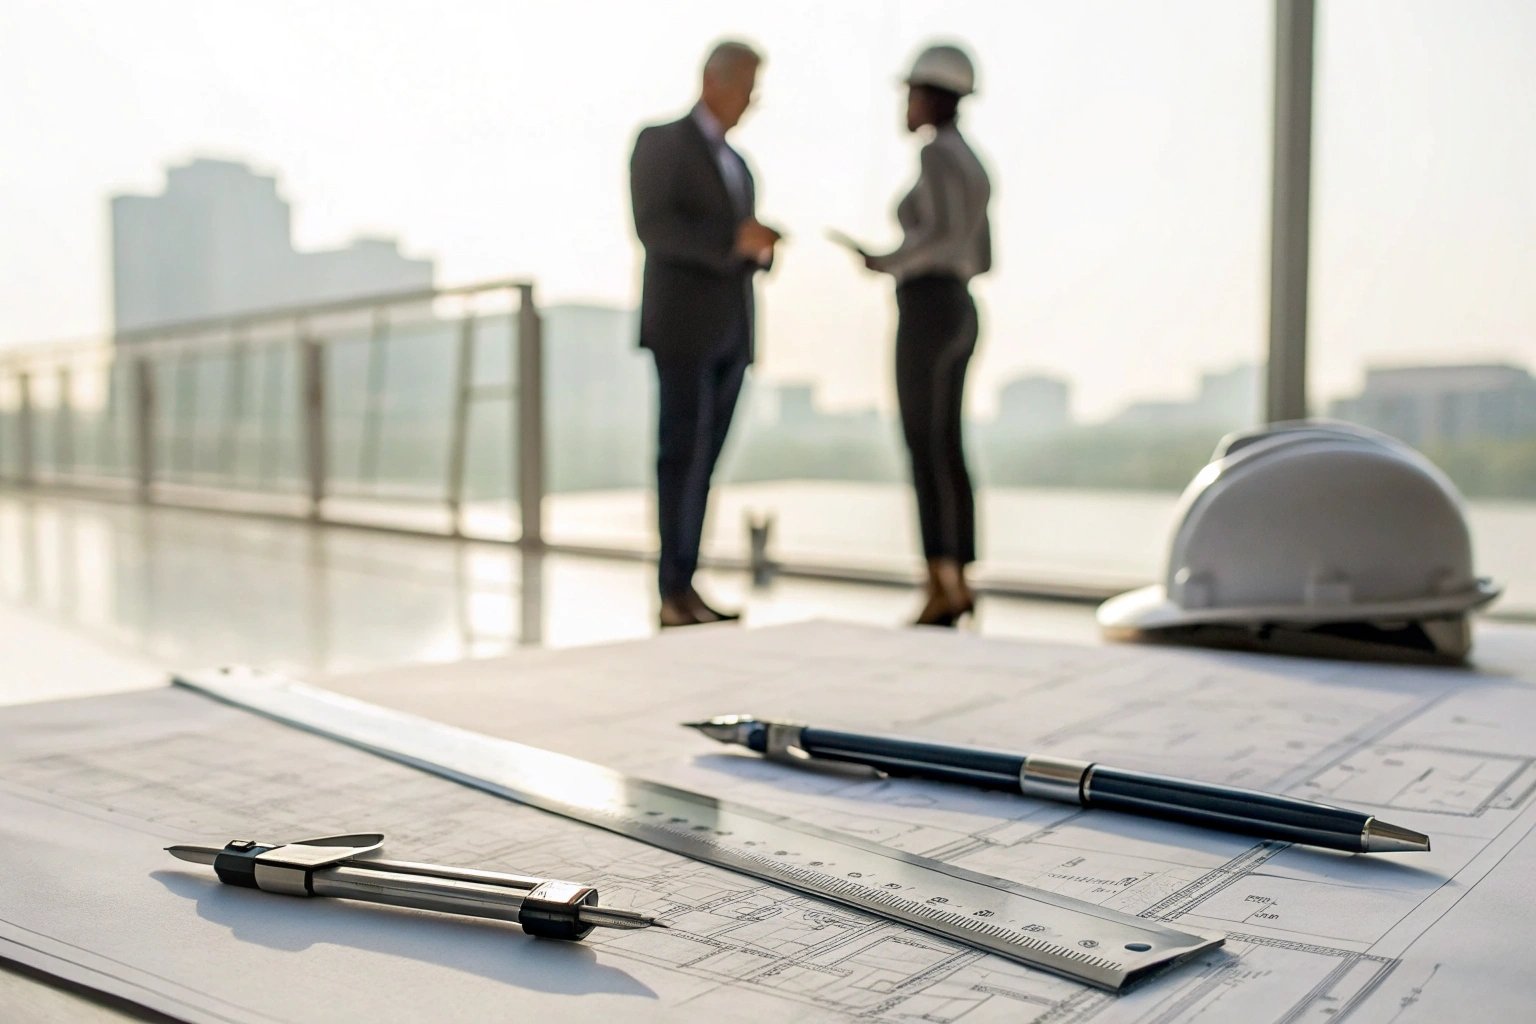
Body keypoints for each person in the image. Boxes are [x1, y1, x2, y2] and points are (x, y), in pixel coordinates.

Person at [630, 41, 781, 628]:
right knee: (680, 458)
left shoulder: (740, 166)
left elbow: (736, 248)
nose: (751, 101)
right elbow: (654, 228)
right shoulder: (660, 143)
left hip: (731, 333)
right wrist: (730, 244)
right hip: (683, 329)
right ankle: (671, 591)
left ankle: (688, 586)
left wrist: (759, 251)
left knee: (707, 462)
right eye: (746, 86)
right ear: (714, 81)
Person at [860, 44, 992, 627]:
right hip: (962, 306)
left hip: (929, 306)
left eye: (911, 92)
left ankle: (939, 581)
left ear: (931, 97)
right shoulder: (974, 162)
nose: (905, 103)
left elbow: (937, 235)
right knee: (948, 445)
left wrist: (889, 262)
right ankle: (957, 579)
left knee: (923, 443)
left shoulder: (938, 156)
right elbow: (982, 253)